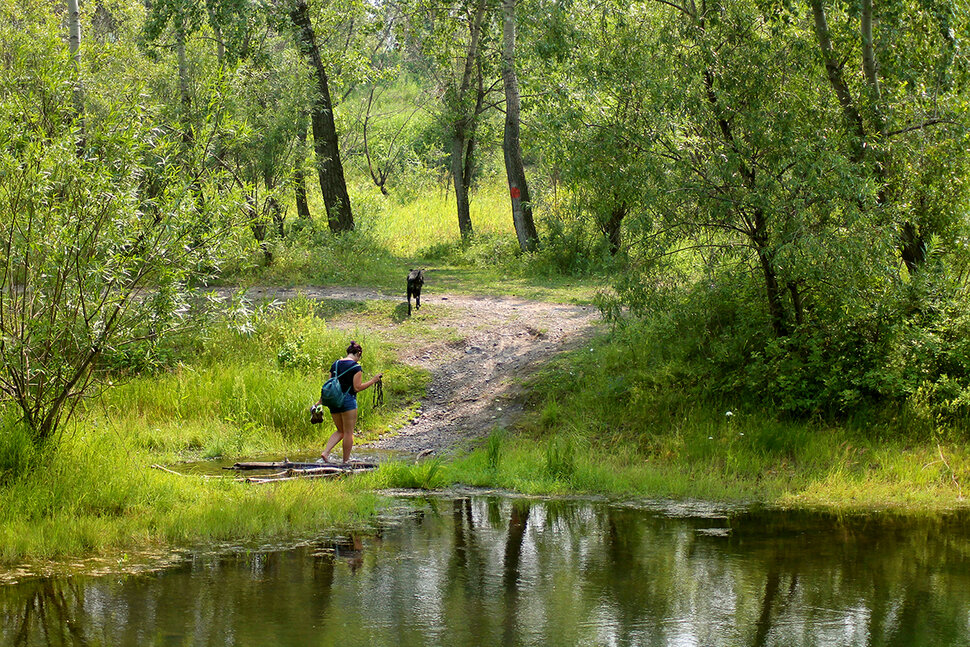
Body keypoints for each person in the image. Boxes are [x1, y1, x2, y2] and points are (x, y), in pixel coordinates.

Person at [319, 340, 382, 464]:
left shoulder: (335, 364)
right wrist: (373, 380)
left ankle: (326, 452)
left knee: (340, 431)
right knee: (348, 432)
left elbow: (328, 386)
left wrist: (320, 402)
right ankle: (345, 461)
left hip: (333, 402)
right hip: (348, 401)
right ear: (358, 353)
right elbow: (357, 388)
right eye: (360, 356)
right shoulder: (356, 367)